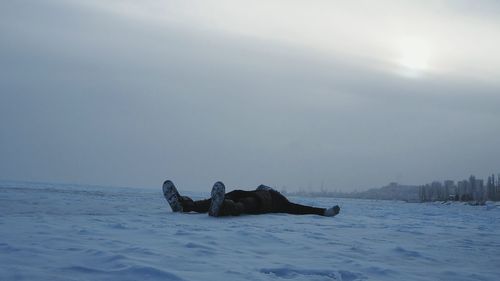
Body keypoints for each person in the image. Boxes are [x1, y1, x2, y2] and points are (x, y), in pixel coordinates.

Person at [163, 180, 340, 217]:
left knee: (242, 205)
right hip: (245, 195)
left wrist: (324, 212)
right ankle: (184, 204)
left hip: (261, 205)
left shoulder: (281, 201)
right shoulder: (254, 190)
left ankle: (224, 207)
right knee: (213, 200)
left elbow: (301, 208)